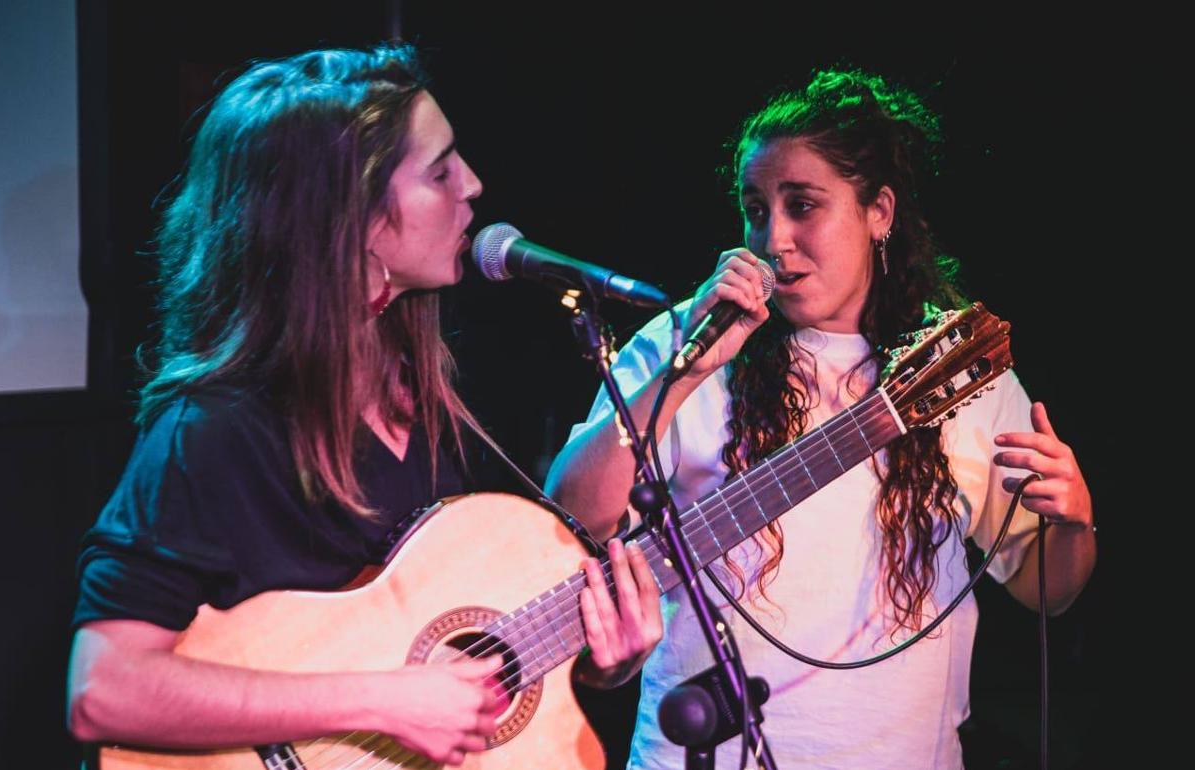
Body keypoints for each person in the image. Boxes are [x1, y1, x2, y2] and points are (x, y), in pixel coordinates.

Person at [66, 45, 662, 768]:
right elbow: (102, 688)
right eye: (439, 171)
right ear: (352, 218)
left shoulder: (424, 398)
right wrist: (381, 701)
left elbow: (445, 663)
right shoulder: (214, 430)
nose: (473, 184)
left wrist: (600, 661)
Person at [545, 69, 1095, 769]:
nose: (773, 238)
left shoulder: (955, 367)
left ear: (879, 212)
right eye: (755, 209)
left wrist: (1072, 522)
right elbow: (570, 518)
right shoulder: (682, 342)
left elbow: (1049, 591)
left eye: (802, 205)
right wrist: (684, 372)